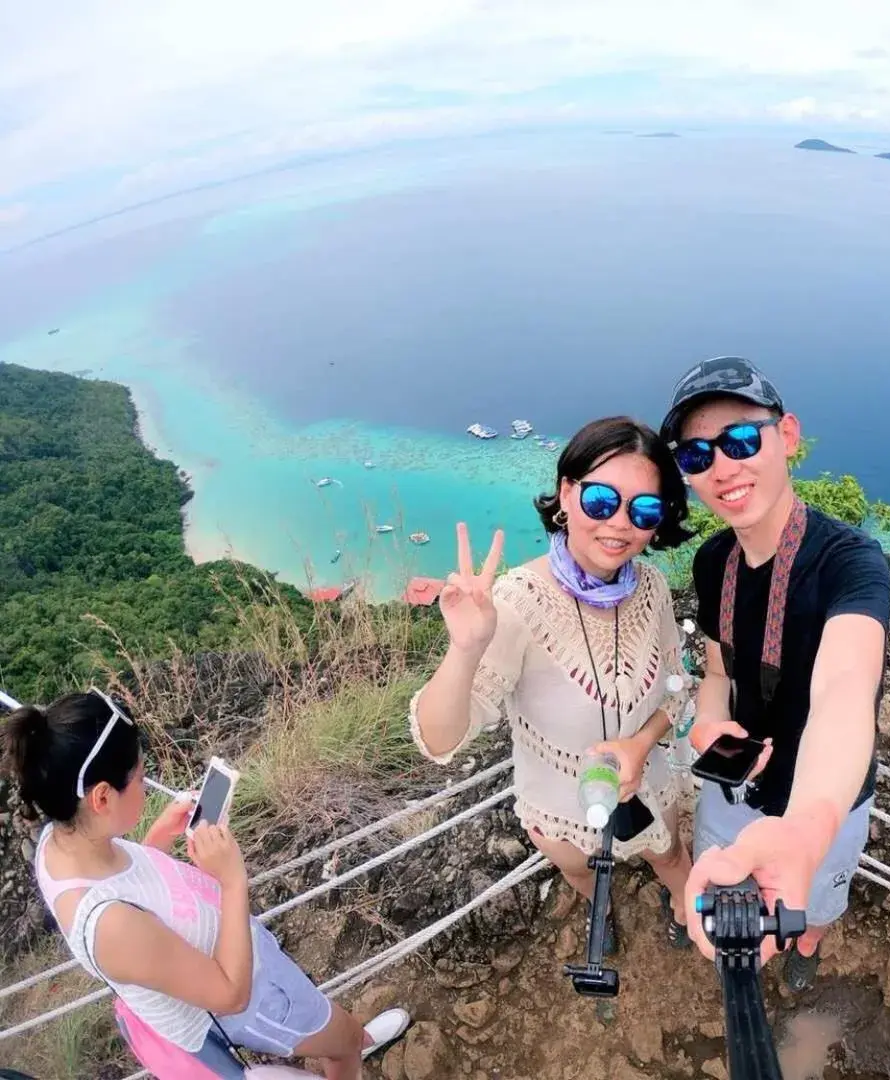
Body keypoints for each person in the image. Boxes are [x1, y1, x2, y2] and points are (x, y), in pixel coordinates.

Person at [2, 689, 410, 1080]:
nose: (146, 787)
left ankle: (350, 1044)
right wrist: (232, 880)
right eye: (141, 778)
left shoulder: (62, 843)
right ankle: (355, 1044)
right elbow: (231, 994)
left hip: (243, 966)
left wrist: (159, 836)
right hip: (254, 998)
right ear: (102, 798)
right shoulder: (110, 927)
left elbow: (127, 888)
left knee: (334, 1034)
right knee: (344, 1040)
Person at [410, 416, 696, 950]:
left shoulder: (652, 586)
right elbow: (440, 739)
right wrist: (465, 648)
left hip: (648, 783)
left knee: (671, 854)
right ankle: (600, 913)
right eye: (601, 500)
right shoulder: (517, 604)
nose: (620, 524)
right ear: (567, 493)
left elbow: (677, 689)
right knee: (584, 874)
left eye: (645, 509)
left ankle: (683, 907)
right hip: (562, 808)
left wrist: (640, 743)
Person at [665, 356, 890, 992]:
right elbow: (718, 666)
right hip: (734, 786)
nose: (722, 468)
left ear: (787, 435)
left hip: (824, 802)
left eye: (741, 440)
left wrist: (805, 828)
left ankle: (810, 941)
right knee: (733, 872)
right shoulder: (714, 562)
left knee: (814, 899)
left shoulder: (849, 562)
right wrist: (710, 721)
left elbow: (846, 688)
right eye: (696, 456)